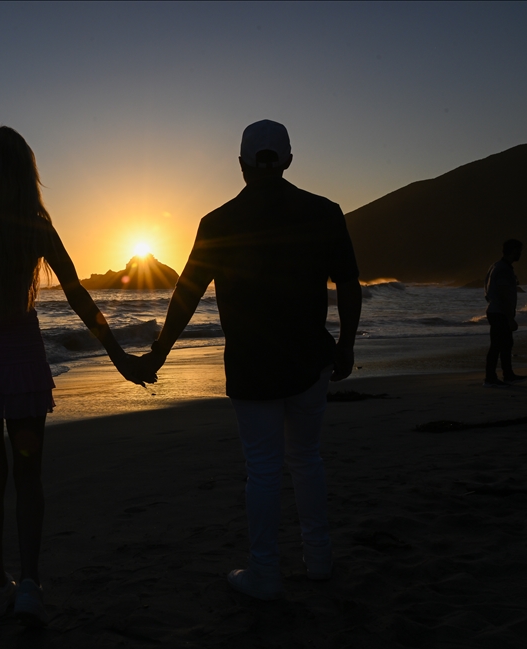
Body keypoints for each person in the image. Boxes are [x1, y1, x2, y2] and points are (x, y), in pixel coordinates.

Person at [0, 126, 148, 626]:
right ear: (25, 173)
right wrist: (117, 354)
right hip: (25, 360)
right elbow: (76, 295)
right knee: (28, 477)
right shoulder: (35, 228)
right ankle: (29, 583)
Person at [138, 120, 362, 600]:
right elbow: (348, 283)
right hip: (310, 359)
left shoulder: (219, 222)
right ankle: (319, 559)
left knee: (263, 468)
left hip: (252, 364)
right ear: (287, 162)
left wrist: (158, 353)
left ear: (241, 165)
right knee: (307, 459)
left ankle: (265, 573)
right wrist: (345, 344)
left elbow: (186, 295)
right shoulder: (324, 212)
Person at [483, 239, 527, 387]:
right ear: (513, 251)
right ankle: (492, 378)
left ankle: (506, 375)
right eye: (519, 251)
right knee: (499, 345)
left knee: (504, 344)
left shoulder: (496, 266)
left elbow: (488, 292)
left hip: (494, 310)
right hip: (500, 312)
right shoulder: (504, 269)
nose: (520, 254)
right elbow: (503, 294)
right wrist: (510, 318)